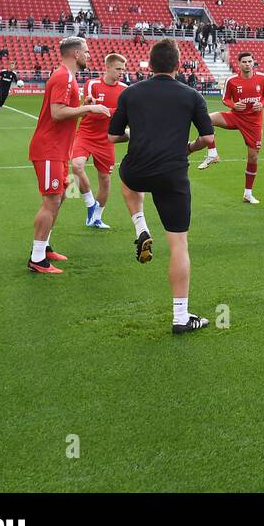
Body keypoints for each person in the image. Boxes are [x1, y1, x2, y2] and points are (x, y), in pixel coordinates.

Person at [107, 39, 216, 335]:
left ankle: (140, 225)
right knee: (179, 245)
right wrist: (189, 148)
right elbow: (208, 140)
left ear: (150, 65)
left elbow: (113, 137)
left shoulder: (130, 93)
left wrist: (140, 134)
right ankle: (181, 317)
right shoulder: (192, 95)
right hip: (173, 174)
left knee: (127, 182)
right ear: (178, 66)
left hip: (137, 170)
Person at [25, 37, 111, 274]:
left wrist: (84, 103)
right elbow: (57, 113)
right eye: (86, 51)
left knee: (60, 196)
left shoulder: (69, 78)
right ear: (75, 54)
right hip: (49, 148)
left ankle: (45, 246)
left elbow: (66, 111)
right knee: (51, 199)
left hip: (59, 149)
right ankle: (37, 258)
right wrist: (89, 108)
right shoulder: (63, 76)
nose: (89, 55)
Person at [198, 51, 264, 204]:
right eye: (244, 62)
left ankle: (247, 194)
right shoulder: (232, 81)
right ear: (239, 63)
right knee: (206, 119)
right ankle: (212, 153)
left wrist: (261, 104)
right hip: (236, 117)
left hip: (254, 123)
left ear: (253, 62)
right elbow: (225, 99)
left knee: (253, 157)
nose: (247, 64)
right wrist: (233, 105)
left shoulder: (262, 78)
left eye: (250, 61)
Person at [70, 53, 127, 230]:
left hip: (107, 138)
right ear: (107, 67)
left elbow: (122, 114)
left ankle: (96, 218)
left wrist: (103, 109)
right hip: (86, 134)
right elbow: (89, 109)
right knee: (76, 166)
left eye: (123, 70)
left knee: (105, 180)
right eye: (118, 69)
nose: (121, 73)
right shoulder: (92, 84)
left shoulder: (125, 89)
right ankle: (90, 204)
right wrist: (93, 106)